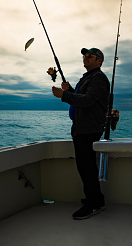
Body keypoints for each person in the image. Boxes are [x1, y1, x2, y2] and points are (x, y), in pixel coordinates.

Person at [52, 47, 110, 220]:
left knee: (87, 168)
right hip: (81, 129)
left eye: (90, 56)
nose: (86, 58)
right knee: (84, 167)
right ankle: (95, 199)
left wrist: (64, 95)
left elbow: (88, 100)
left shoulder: (99, 78)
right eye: (85, 55)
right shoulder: (87, 78)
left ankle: (94, 204)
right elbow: (80, 98)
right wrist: (69, 91)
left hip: (89, 130)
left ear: (99, 60)